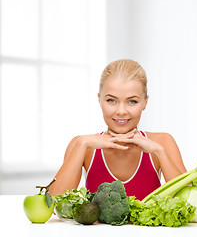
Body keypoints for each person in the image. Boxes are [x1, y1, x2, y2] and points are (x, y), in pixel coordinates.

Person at [49, 59, 186, 200]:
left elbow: (190, 202)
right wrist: (82, 143)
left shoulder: (162, 142)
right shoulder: (82, 145)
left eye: (132, 101)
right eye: (111, 100)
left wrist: (159, 151)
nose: (121, 111)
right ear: (99, 100)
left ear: (145, 102)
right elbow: (54, 203)